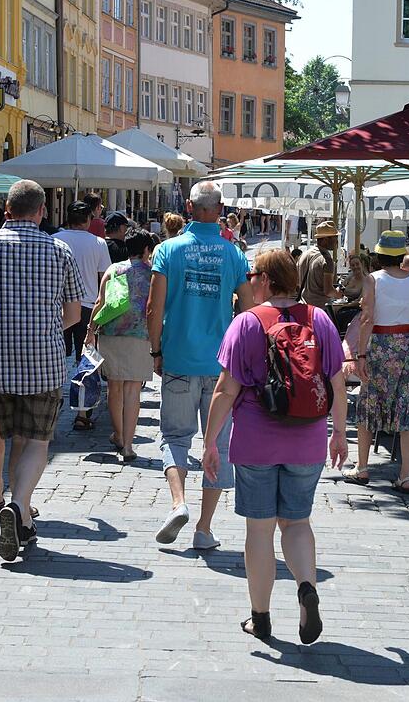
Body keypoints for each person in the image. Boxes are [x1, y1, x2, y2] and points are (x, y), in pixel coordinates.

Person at [201, 249, 348, 643]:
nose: (249, 282)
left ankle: (261, 618)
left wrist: (211, 441)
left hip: (256, 441)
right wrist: (339, 433)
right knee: (297, 523)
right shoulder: (320, 320)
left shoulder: (246, 323)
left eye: (253, 275)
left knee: (260, 530)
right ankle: (306, 588)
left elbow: (225, 390)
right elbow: (337, 385)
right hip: (308, 439)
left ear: (265, 280)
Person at [0, 180, 86, 562]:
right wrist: (47, 331)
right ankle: (19, 503)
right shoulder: (59, 250)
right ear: (42, 211)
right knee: (36, 441)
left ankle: (19, 513)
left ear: (7, 210)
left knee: (4, 432)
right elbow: (74, 313)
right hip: (44, 363)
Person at [148, 180, 253, 550]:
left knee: (175, 437)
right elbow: (249, 309)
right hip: (221, 366)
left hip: (178, 356)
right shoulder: (233, 254)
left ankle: (178, 502)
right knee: (218, 445)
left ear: (189, 208)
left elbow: (154, 307)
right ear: (220, 209)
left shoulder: (167, 250)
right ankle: (203, 529)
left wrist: (156, 351)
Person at [354, 230, 409, 492]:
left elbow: (367, 319)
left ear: (380, 254)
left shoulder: (373, 279)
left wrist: (361, 354)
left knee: (369, 402)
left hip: (381, 346)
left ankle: (362, 467)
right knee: (407, 408)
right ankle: (405, 475)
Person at [85, 230, 156, 461]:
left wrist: (90, 331)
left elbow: (100, 302)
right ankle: (128, 445)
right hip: (140, 335)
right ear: (147, 249)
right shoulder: (153, 274)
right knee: (133, 391)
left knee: (114, 388)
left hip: (111, 334)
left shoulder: (114, 269)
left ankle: (118, 435)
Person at [55, 201, 112, 430]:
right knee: (86, 360)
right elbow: (105, 279)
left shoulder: (55, 240)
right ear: (88, 220)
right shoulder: (98, 243)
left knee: (55, 357)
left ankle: (53, 402)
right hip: (88, 306)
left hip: (58, 305)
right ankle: (82, 413)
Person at [297, 222, 343, 309]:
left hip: (303, 307)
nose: (337, 241)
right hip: (319, 309)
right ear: (325, 239)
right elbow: (328, 291)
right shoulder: (327, 260)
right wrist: (338, 294)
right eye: (335, 237)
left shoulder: (304, 255)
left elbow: (297, 282)